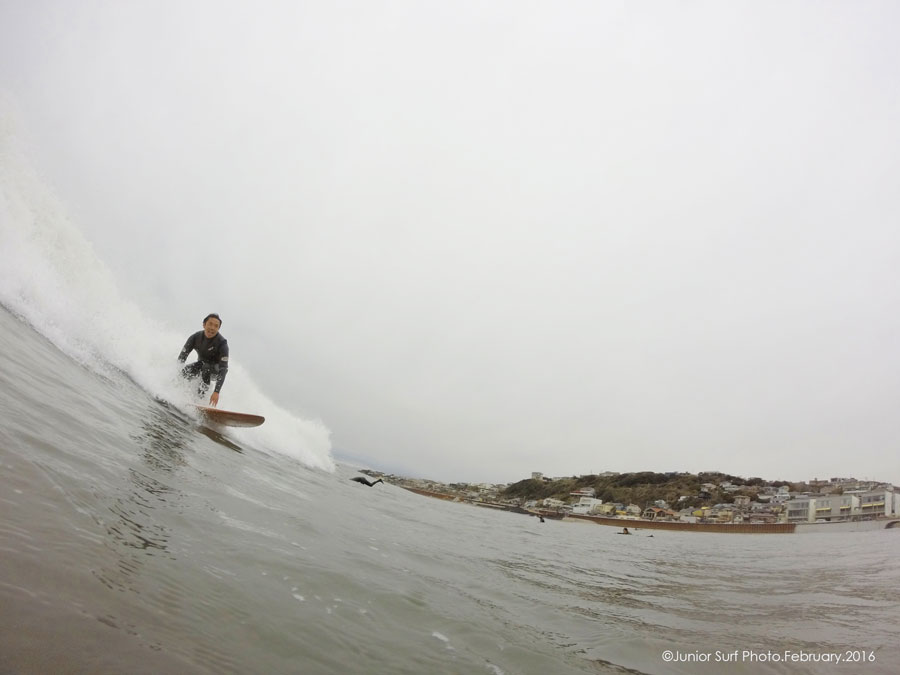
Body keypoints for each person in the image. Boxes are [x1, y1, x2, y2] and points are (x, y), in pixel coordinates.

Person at [178, 313, 229, 407]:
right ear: (204, 324)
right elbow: (181, 358)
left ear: (218, 329)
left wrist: (216, 392)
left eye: (216, 326)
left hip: (215, 371)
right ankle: (179, 392)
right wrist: (178, 373)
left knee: (206, 368)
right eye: (210, 324)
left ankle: (200, 401)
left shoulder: (222, 344)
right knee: (186, 370)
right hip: (201, 365)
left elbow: (224, 369)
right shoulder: (195, 337)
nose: (212, 328)